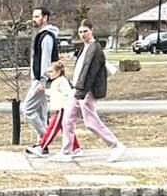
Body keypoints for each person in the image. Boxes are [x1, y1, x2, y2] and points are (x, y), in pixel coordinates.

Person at [53, 20, 126, 163]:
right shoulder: (85, 48)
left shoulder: (94, 48)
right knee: (67, 120)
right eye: (80, 32)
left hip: (87, 91)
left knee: (91, 122)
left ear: (91, 30)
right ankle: (67, 151)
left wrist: (82, 91)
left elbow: (89, 73)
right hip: (77, 89)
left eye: (85, 31)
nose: (82, 34)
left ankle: (116, 145)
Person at [25, 59, 81, 157]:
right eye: (49, 71)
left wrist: (47, 92)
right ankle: (76, 148)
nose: (50, 74)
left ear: (59, 71)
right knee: (66, 128)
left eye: (52, 71)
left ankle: (42, 147)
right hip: (59, 108)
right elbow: (53, 92)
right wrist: (45, 91)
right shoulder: (56, 81)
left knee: (52, 128)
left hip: (62, 108)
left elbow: (67, 93)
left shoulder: (62, 81)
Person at [22, 7, 60, 141]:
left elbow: (46, 60)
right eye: (33, 16)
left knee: (27, 109)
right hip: (39, 79)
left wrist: (43, 81)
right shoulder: (42, 35)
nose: (34, 19)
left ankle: (45, 138)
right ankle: (42, 145)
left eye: (37, 16)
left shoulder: (47, 37)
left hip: (41, 81)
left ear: (45, 18)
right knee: (41, 112)